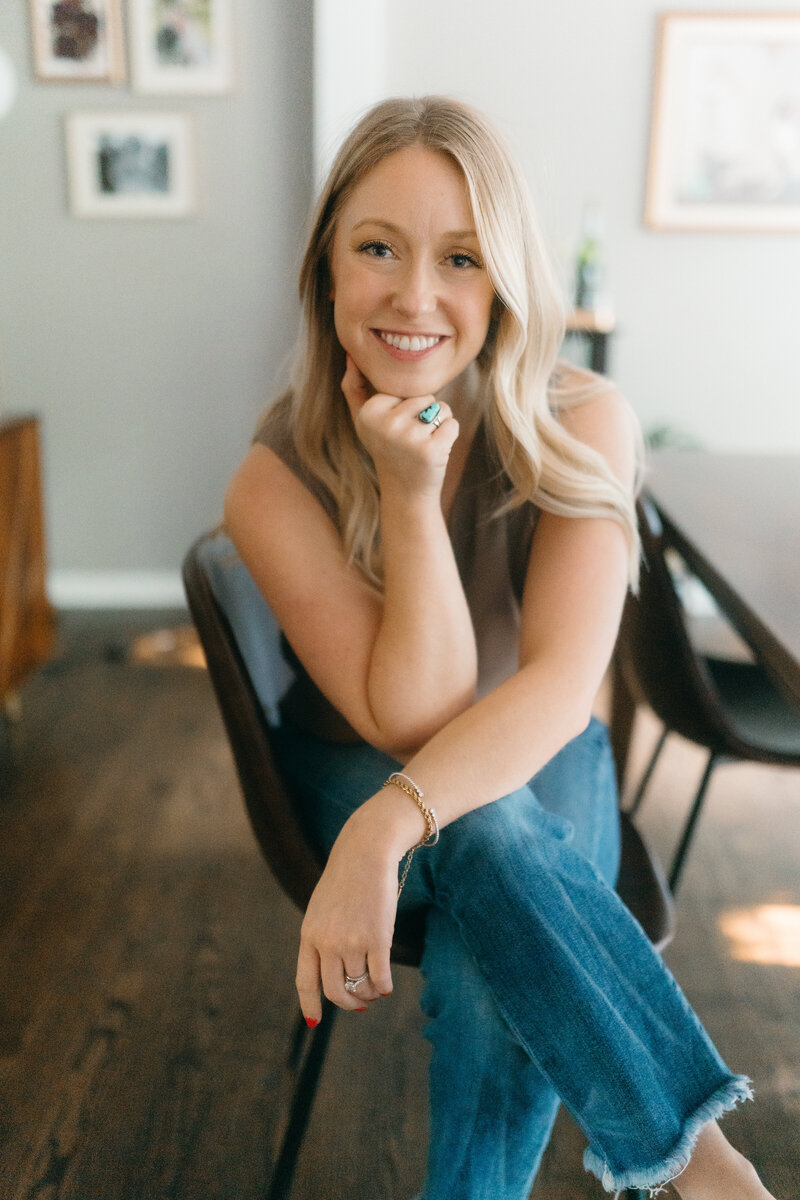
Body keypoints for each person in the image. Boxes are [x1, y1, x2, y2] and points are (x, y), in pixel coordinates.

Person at [224, 96, 775, 1200]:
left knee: (488, 918)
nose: (413, 295)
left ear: (505, 281)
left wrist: (395, 824)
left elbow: (561, 688)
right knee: (487, 829)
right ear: (325, 267)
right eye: (375, 247)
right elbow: (412, 722)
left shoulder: (582, 420)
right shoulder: (271, 479)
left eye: (461, 258)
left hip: (527, 746)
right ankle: (705, 1170)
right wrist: (407, 490)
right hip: (343, 765)